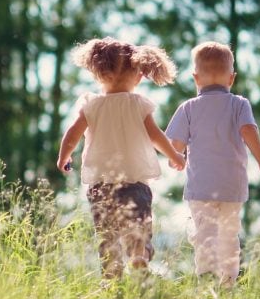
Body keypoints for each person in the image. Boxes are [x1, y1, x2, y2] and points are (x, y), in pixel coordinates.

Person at [57, 37, 186, 279]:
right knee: (137, 228)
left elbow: (71, 135)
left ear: (98, 73)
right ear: (138, 76)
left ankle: (111, 280)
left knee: (107, 237)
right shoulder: (137, 104)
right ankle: (138, 256)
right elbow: (156, 136)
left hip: (101, 186)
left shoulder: (91, 105)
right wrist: (174, 155)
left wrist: (64, 156)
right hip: (135, 183)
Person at [165, 41, 260, 286]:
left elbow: (174, 145)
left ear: (195, 78)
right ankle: (228, 282)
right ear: (232, 78)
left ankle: (206, 279)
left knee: (205, 234)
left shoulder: (189, 108)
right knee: (229, 236)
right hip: (231, 187)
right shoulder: (239, 104)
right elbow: (248, 130)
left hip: (201, 187)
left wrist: (176, 159)